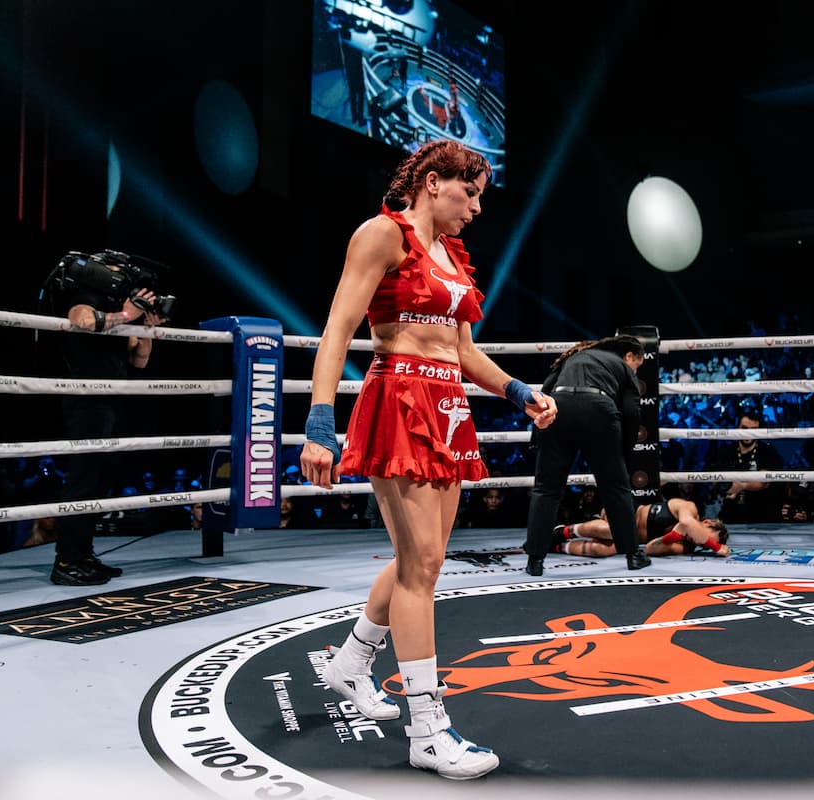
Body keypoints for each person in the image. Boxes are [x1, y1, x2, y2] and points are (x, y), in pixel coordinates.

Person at [299, 140, 555, 781]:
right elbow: (338, 329)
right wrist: (320, 423)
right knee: (421, 567)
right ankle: (427, 730)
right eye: (470, 193)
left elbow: (461, 351)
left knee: (425, 558)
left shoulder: (453, 255)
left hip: (447, 405)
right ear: (433, 182)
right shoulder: (382, 235)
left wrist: (517, 391)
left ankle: (352, 662)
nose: (476, 208)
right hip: (399, 397)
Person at [52, 256, 166, 585]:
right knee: (84, 478)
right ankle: (66, 560)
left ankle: (83, 554)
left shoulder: (118, 308)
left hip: (113, 400)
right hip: (86, 399)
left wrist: (145, 329)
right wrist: (127, 315)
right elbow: (82, 320)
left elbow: (139, 360)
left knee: (102, 479)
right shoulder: (86, 297)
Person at [522, 335, 653, 576]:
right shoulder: (622, 366)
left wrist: (537, 437)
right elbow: (631, 412)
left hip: (560, 407)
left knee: (546, 489)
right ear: (629, 356)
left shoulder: (574, 356)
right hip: (598, 410)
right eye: (638, 364)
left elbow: (545, 392)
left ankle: (535, 560)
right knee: (616, 488)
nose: (636, 369)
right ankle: (633, 556)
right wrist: (624, 454)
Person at [546, 495, 729, 558]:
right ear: (707, 523)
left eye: (704, 544)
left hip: (630, 538)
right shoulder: (689, 508)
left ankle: (557, 546)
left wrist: (672, 536)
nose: (699, 542)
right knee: (612, 530)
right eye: (705, 538)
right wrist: (716, 547)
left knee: (602, 550)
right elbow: (687, 523)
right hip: (627, 510)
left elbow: (649, 549)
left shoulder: (686, 546)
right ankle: (561, 532)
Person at [708, 409, 784, 523]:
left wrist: (742, 486)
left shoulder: (768, 452)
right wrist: (726, 487)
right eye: (744, 428)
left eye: (753, 430)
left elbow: (764, 481)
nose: (748, 433)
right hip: (730, 512)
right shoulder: (725, 451)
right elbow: (715, 479)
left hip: (761, 514)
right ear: (737, 428)